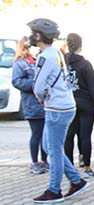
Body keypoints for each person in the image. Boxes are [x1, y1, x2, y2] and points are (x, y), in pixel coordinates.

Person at [28, 18, 89, 204]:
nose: (31, 36)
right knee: (49, 147)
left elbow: (38, 86)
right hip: (64, 105)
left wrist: (41, 96)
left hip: (57, 108)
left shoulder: (45, 56)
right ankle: (76, 181)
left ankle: (54, 190)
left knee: (53, 150)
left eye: (33, 33)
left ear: (39, 35)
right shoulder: (56, 52)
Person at [63, 33, 94, 179]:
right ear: (80, 46)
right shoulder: (85, 64)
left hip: (68, 102)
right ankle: (87, 167)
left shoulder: (63, 63)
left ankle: (69, 167)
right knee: (85, 136)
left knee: (69, 136)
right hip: (85, 103)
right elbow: (93, 87)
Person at [11, 37, 48, 175]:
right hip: (32, 104)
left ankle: (45, 160)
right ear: (27, 47)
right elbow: (16, 81)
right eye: (34, 46)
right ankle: (34, 162)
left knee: (45, 135)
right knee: (36, 134)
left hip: (44, 104)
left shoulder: (39, 61)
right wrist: (35, 85)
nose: (37, 48)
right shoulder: (20, 64)